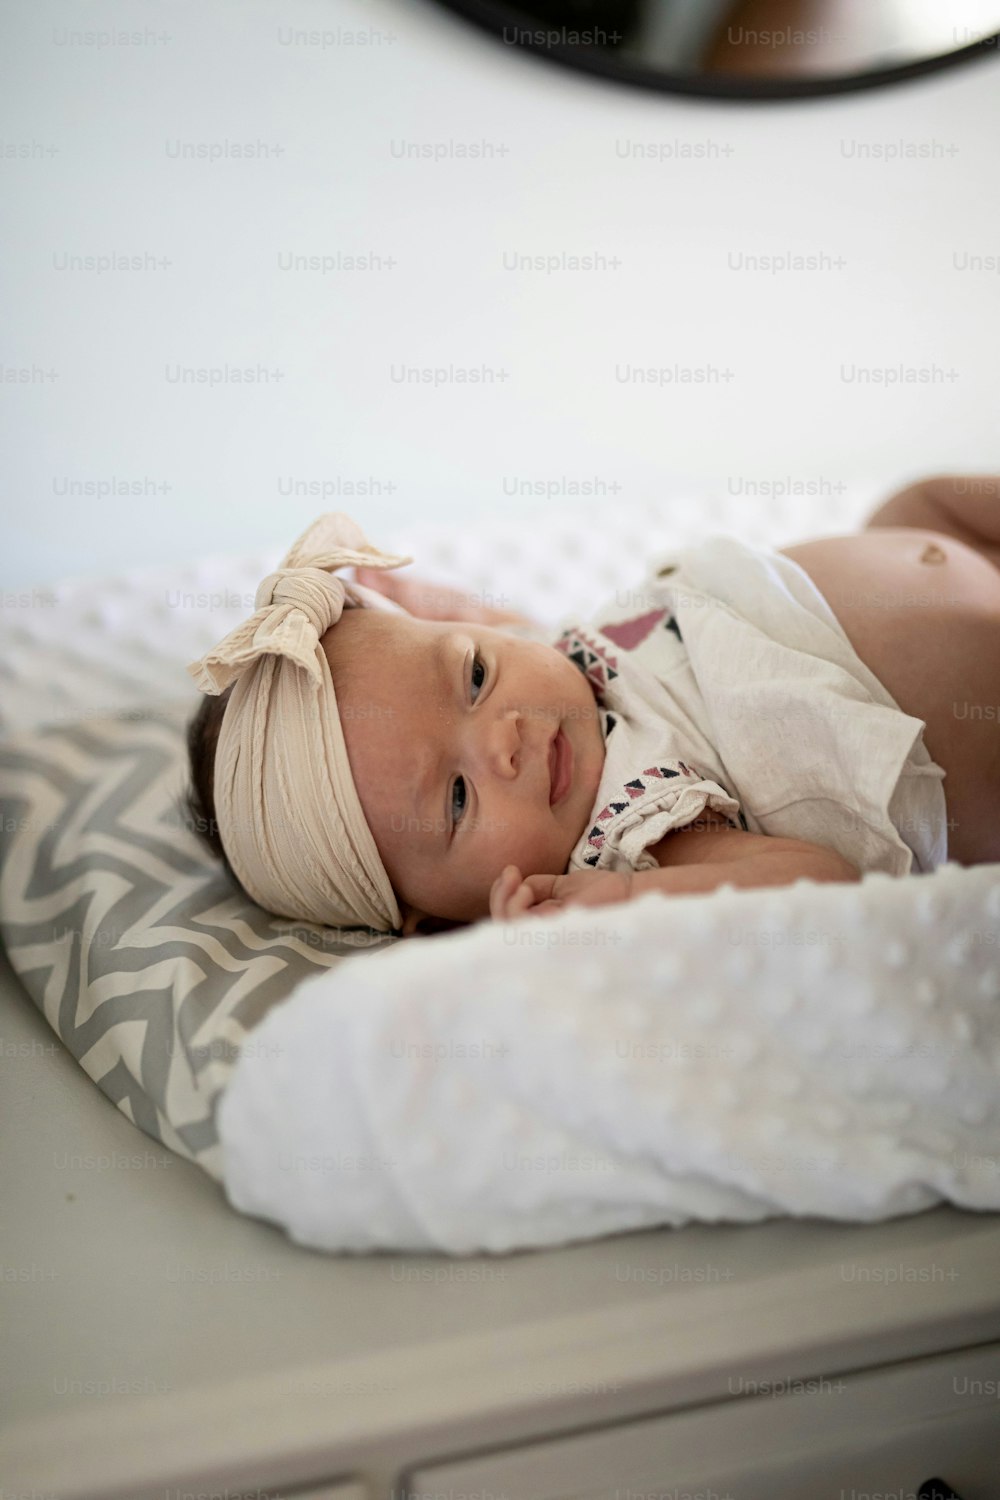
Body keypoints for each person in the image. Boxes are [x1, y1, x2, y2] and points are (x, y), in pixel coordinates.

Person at [184, 476, 1000, 936]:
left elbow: (500, 634)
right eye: (459, 796)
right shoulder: (631, 834)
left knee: (916, 505)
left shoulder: (551, 668)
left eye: (470, 676)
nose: (502, 737)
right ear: (425, 915)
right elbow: (815, 884)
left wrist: (416, 601)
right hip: (967, 712)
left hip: (946, 556)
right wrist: (628, 907)